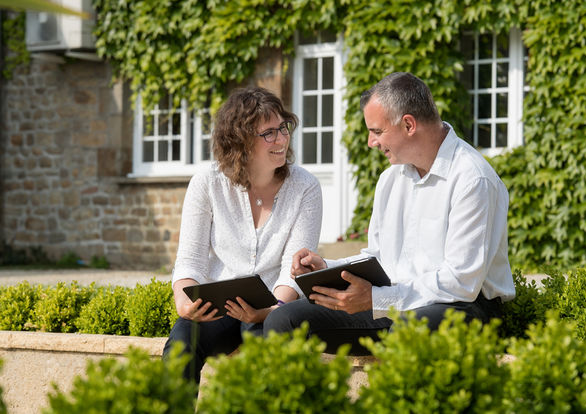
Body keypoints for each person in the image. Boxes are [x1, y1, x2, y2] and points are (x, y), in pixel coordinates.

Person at [263, 72, 515, 354]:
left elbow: (461, 283)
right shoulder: (391, 179)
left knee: (408, 330)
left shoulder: (472, 178)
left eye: (377, 131)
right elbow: (378, 258)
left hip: (465, 308)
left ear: (408, 124)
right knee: (284, 320)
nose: (371, 142)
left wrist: (376, 299)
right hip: (394, 304)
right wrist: (327, 268)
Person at [163, 86, 322, 384]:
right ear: (241, 142)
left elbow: (293, 270)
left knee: (263, 347)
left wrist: (273, 309)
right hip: (219, 307)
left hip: (274, 307)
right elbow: (190, 260)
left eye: (283, 128)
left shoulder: (305, 187)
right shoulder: (206, 183)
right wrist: (183, 299)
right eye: (269, 133)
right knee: (182, 343)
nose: (281, 139)